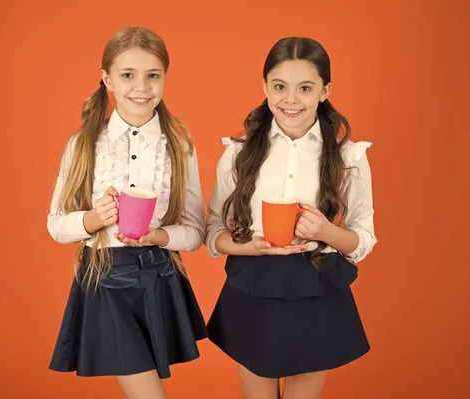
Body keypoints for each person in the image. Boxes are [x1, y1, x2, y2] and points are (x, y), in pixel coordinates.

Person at [205, 36, 377, 399]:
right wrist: (251, 247)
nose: (291, 99)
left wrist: (329, 231)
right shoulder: (237, 154)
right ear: (265, 86)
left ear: (325, 90)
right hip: (253, 285)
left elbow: (363, 238)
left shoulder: (350, 157)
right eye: (280, 86)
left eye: (305, 88)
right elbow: (213, 230)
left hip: (318, 286)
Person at [47, 26, 207, 399]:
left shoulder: (179, 146)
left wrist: (160, 237)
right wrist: (93, 219)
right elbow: (56, 224)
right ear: (107, 79)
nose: (141, 87)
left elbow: (197, 232)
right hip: (105, 278)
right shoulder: (84, 143)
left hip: (158, 275)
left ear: (165, 77)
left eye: (153, 75)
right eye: (127, 75)